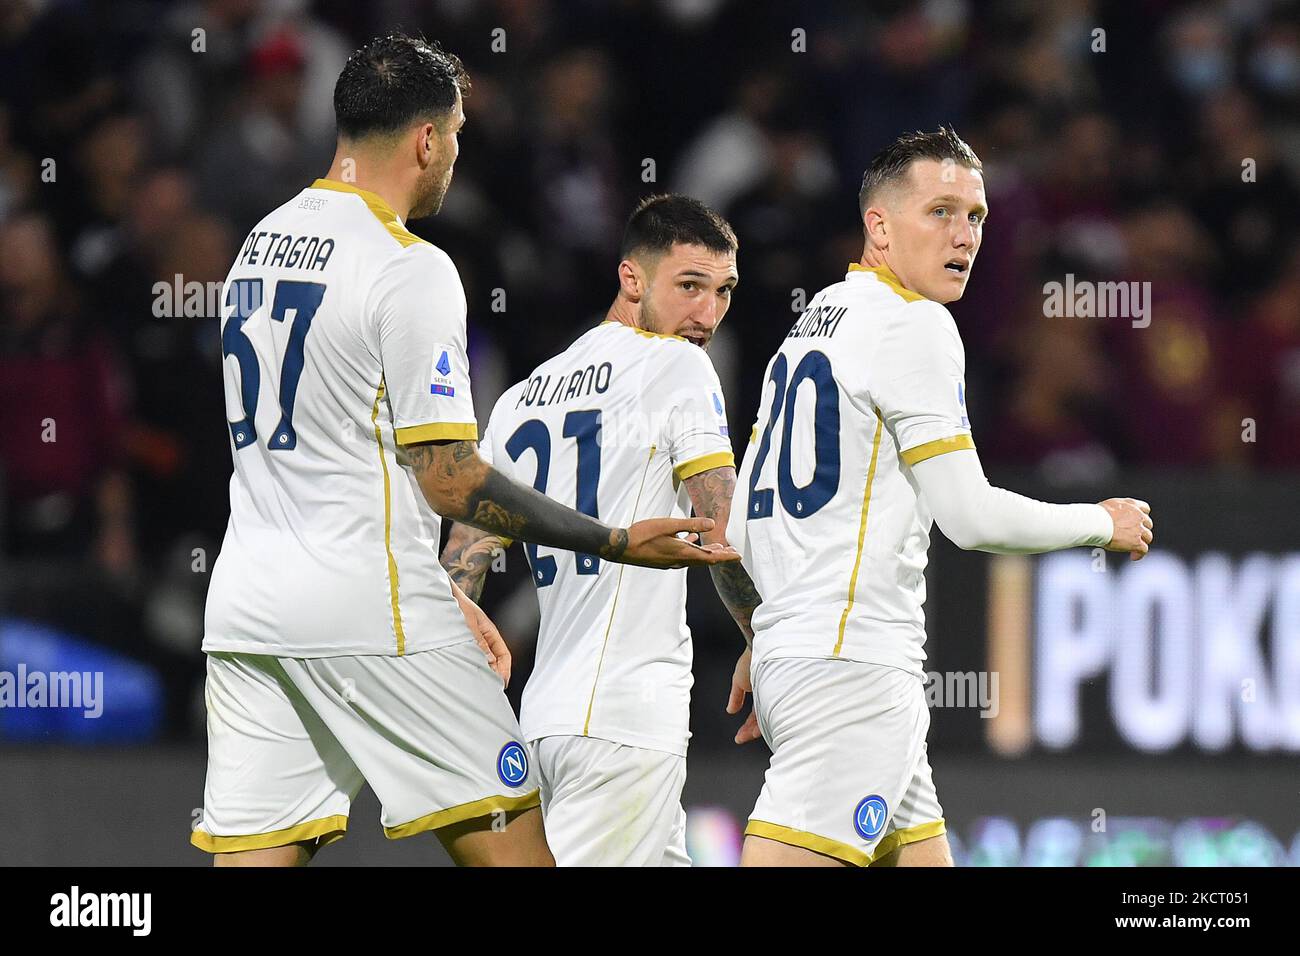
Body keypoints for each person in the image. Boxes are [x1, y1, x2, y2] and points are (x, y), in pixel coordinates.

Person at [191, 34, 737, 868]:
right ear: (425, 140)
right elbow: (448, 479)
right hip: (371, 603)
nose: (457, 153)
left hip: (246, 610)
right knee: (518, 853)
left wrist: (457, 590)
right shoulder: (409, 267)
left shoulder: (255, 246)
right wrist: (616, 539)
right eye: (456, 132)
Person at [728, 127, 1154, 867]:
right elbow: (968, 516)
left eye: (977, 216)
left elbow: (739, 519)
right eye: (941, 212)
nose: (964, 234)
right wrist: (1100, 523)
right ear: (879, 225)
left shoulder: (811, 323)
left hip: (807, 655)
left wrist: (771, 633)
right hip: (853, 670)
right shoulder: (916, 323)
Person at [441, 194, 760, 866]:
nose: (708, 314)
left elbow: (461, 569)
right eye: (690, 287)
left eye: (724, 291)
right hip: (624, 718)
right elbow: (718, 527)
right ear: (632, 278)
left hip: (545, 719)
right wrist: (766, 639)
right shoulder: (678, 366)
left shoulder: (522, 396)